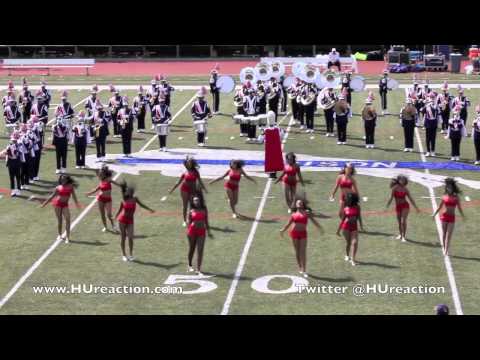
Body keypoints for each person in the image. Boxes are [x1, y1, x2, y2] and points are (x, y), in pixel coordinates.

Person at [279, 197, 323, 277]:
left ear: (302, 205)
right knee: (297, 252)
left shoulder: (307, 213)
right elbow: (288, 224)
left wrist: (319, 227)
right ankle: (300, 267)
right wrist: (282, 230)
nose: (299, 203)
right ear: (296, 205)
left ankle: (304, 270)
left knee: (303, 252)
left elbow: (314, 221)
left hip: (303, 234)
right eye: (298, 202)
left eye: (300, 202)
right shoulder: (293, 214)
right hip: (294, 233)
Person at [115, 182, 155, 262]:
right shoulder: (123, 200)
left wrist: (149, 209)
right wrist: (115, 217)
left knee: (130, 237)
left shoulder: (135, 199)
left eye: (131, 191)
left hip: (130, 221)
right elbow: (120, 210)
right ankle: (124, 255)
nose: (131, 192)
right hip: (122, 220)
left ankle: (131, 254)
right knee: (123, 238)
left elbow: (142, 205)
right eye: (130, 191)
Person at [168, 157, 208, 226]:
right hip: (184, 189)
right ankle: (184, 220)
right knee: (185, 205)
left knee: (192, 206)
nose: (188, 163)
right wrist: (171, 189)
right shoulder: (185, 173)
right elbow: (178, 182)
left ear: (192, 163)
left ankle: (191, 219)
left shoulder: (196, 172)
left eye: (189, 162)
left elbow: (200, 181)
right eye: (187, 162)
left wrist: (204, 189)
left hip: (193, 190)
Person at [40, 175, 80, 243]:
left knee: (68, 220)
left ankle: (67, 237)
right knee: (60, 220)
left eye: (64, 179)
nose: (63, 181)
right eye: (62, 179)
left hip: (65, 205)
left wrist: (77, 204)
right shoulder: (58, 187)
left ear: (67, 180)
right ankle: (59, 235)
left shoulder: (70, 187)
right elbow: (51, 197)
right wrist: (44, 204)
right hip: (57, 205)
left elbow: (74, 196)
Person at [432, 178, 465, 256]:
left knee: (448, 235)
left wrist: (463, 216)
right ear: (446, 188)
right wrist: (434, 214)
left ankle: (446, 250)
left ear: (453, 188)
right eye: (448, 187)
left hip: (452, 218)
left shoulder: (456, 197)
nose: (449, 189)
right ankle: (444, 248)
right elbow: (440, 207)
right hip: (444, 217)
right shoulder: (444, 196)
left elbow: (459, 207)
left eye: (450, 188)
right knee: (444, 234)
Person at [85, 165, 121, 232]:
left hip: (108, 200)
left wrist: (122, 186)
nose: (100, 174)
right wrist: (89, 193)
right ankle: (105, 227)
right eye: (100, 173)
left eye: (101, 173)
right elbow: (97, 189)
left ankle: (114, 226)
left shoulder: (108, 179)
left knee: (109, 214)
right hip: (100, 199)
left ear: (104, 174)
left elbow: (116, 183)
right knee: (102, 214)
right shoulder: (101, 180)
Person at [386, 175, 420, 242]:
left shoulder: (405, 189)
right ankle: (400, 234)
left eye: (403, 180)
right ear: (398, 180)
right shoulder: (394, 188)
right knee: (399, 222)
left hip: (405, 206)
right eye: (401, 180)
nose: (402, 181)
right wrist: (387, 205)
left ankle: (404, 237)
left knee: (403, 221)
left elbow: (410, 198)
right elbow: (391, 197)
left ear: (405, 181)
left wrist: (416, 208)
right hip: (398, 206)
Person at [186, 192, 212, 275]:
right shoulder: (191, 210)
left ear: (200, 201)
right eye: (195, 201)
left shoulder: (204, 209)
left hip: (201, 231)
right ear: (193, 202)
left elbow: (206, 220)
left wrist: (209, 231)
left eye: (197, 200)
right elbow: (188, 222)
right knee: (192, 249)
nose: (196, 202)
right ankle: (189, 265)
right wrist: (188, 231)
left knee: (200, 250)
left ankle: (198, 269)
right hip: (192, 231)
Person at [336, 192, 364, 266]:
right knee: (348, 243)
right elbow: (343, 220)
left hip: (354, 227)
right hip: (346, 227)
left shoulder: (357, 207)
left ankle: (353, 259)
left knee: (354, 243)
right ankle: (347, 255)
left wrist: (361, 226)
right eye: (348, 199)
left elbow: (359, 216)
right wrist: (338, 230)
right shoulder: (345, 208)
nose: (349, 200)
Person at [0, 130, 24, 196]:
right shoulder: (9, 145)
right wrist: (8, 152)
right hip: (11, 162)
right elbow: (7, 152)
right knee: (11, 177)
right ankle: (13, 190)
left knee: (18, 176)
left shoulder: (20, 144)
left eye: (14, 140)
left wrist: (15, 150)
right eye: (12, 140)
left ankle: (18, 189)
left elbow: (19, 153)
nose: (13, 141)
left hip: (17, 162)